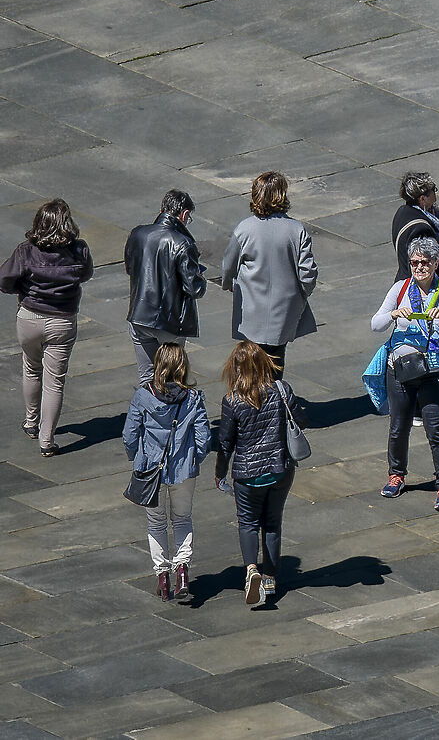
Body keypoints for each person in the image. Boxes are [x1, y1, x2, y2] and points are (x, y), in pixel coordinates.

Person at [371, 241, 439, 512]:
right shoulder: (400, 288)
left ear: (436, 263)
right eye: (414, 262)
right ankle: (397, 475)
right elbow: (375, 324)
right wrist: (392, 314)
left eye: (425, 262)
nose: (419, 267)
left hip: (434, 370)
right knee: (398, 426)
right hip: (400, 369)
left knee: (435, 428)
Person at [124, 342, 211, 602]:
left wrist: (137, 458)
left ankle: (162, 576)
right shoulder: (193, 398)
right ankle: (182, 570)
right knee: (182, 518)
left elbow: (129, 435)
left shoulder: (143, 395)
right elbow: (204, 438)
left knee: (156, 522)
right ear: (183, 366)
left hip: (150, 471)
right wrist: (193, 459)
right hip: (184, 470)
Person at [5, 201, 93, 457]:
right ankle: (47, 439)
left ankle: (31, 422)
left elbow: (4, 279)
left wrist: (22, 290)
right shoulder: (79, 250)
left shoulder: (26, 251)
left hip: (30, 317)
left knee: (31, 369)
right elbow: (85, 275)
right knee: (55, 381)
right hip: (62, 321)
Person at [214, 339, 297, 608]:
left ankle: (251, 569)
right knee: (273, 523)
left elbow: (225, 443)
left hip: (247, 474)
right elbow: (301, 421)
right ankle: (270, 577)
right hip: (279, 469)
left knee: (248, 523)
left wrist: (220, 472)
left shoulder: (232, 401)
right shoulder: (281, 390)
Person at [219, 171, 316, 371]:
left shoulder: (244, 229)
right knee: (276, 360)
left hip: (251, 309)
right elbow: (308, 274)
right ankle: (274, 398)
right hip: (285, 309)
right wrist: (302, 294)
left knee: (250, 362)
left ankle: (251, 397)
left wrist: (228, 283)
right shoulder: (297, 230)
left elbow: (228, 265)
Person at [125, 189, 207, 379]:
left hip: (139, 315)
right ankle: (171, 409)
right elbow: (194, 288)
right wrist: (201, 280)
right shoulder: (182, 243)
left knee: (147, 377)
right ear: (184, 214)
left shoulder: (137, 234)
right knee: (172, 379)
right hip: (169, 322)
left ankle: (150, 408)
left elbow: (131, 268)